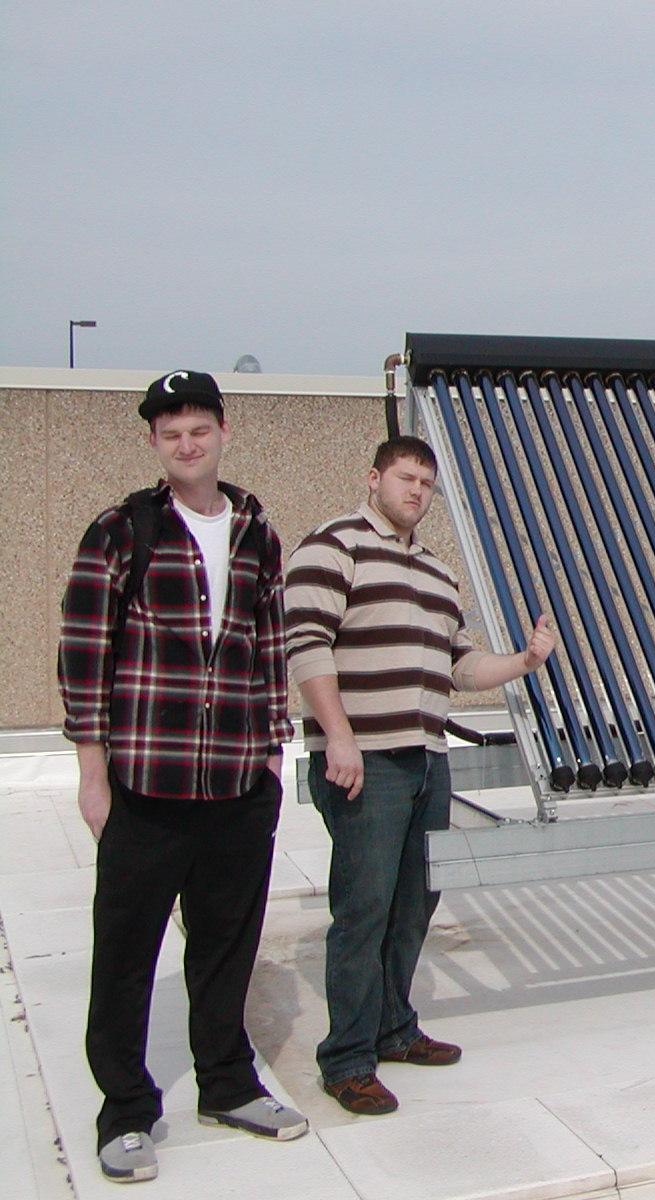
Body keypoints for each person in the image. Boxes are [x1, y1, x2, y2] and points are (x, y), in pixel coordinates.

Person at [58, 370, 307, 1184]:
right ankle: (125, 1111)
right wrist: (92, 774)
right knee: (126, 951)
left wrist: (273, 750)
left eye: (198, 429)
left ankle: (227, 1084)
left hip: (238, 785)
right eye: (171, 434)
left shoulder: (257, 531)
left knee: (228, 944)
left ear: (222, 432)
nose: (187, 444)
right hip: (148, 785)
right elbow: (85, 655)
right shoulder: (121, 531)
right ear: (154, 444)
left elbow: (272, 645)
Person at [284, 435, 557, 1116]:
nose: (416, 492)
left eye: (426, 484)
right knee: (364, 908)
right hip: (364, 760)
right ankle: (346, 1059)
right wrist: (338, 738)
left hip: (425, 759)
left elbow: (460, 666)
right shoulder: (332, 545)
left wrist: (524, 659)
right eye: (405, 478)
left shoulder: (438, 573)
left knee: (415, 903)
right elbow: (306, 644)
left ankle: (394, 1028)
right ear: (373, 477)